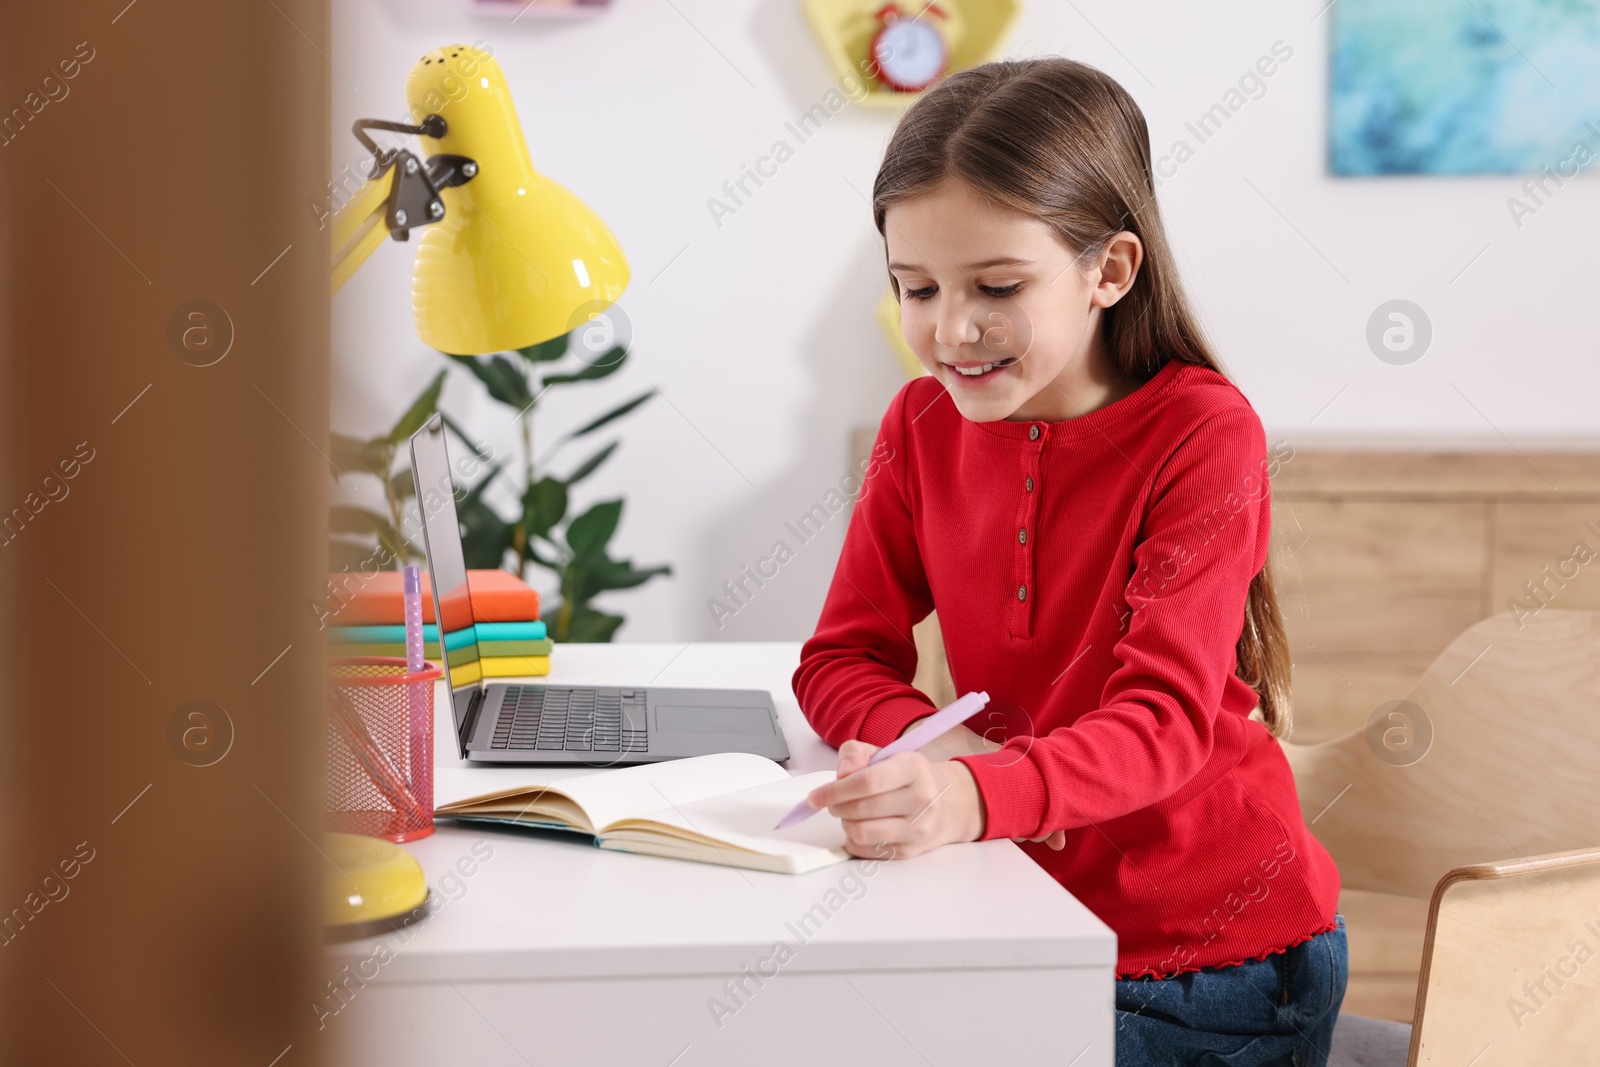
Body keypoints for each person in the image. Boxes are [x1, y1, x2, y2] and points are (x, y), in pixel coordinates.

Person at [792, 58, 1346, 1066]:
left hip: (1205, 960)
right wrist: (925, 751)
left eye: (996, 287)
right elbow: (838, 659)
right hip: (1015, 906)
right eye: (915, 287)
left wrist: (969, 794)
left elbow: (1164, 720)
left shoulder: (1201, 433)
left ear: (1110, 270)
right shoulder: (920, 424)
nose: (949, 329)